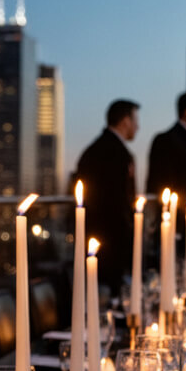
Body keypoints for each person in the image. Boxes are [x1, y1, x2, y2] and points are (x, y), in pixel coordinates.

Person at [74, 99, 139, 293]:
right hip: (112, 240)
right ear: (125, 121)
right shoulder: (115, 152)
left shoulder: (95, 149)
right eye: (135, 121)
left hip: (95, 235)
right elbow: (117, 200)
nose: (138, 127)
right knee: (110, 292)